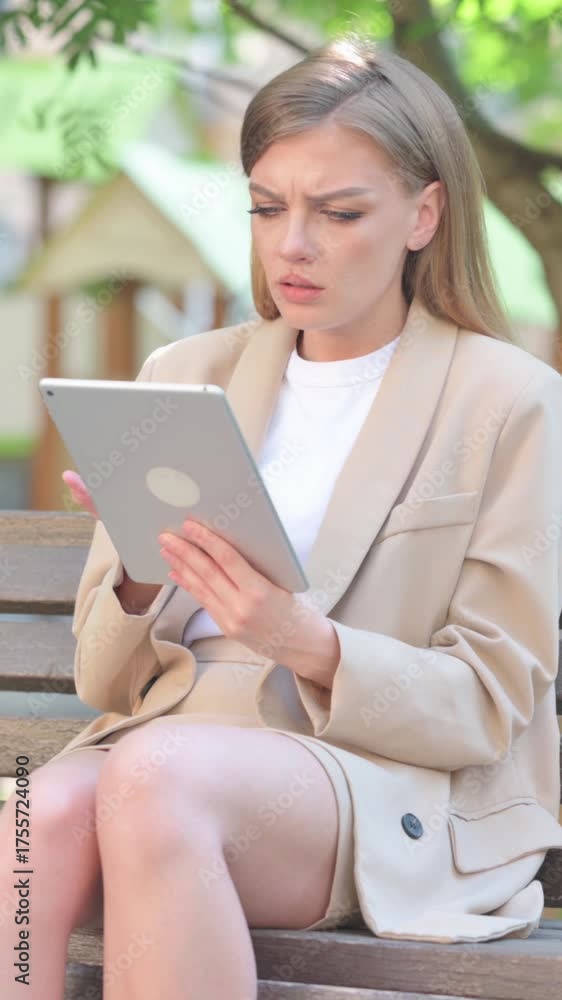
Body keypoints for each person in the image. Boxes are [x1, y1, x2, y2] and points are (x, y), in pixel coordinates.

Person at [2, 31, 562, 1000]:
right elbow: (104, 682)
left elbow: (486, 702)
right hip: (170, 757)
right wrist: (142, 567)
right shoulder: (184, 373)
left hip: (378, 779)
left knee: (154, 780)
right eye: (267, 207)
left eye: (339, 212)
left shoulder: (508, 400)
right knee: (25, 823)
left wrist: (306, 642)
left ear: (425, 214)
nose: (292, 244)